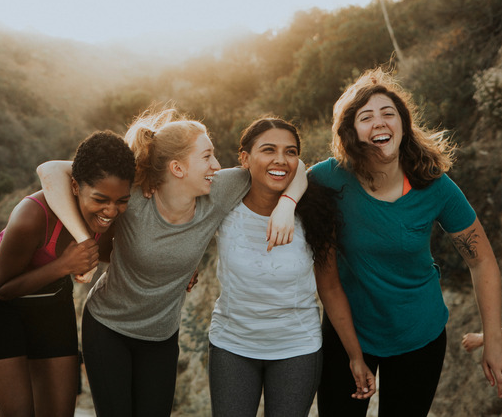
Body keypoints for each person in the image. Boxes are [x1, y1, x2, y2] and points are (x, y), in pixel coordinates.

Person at [36, 108, 307, 416]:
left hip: (161, 337)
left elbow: (291, 167)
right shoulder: (134, 194)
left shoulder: (219, 190)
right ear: (177, 168)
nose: (217, 166)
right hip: (108, 327)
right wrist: (84, 240)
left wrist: (287, 204)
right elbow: (50, 171)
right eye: (207, 157)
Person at [312, 68, 502, 416]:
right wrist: (284, 205)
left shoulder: (434, 185)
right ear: (351, 131)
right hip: (348, 333)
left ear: (403, 124)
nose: (380, 122)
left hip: (419, 334)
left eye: (389, 113)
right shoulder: (329, 178)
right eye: (366, 117)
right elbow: (287, 176)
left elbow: (482, 261)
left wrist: (493, 340)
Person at [207, 118, 375, 417]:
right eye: (268, 150)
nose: (280, 160)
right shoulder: (223, 201)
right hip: (231, 345)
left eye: (291, 151)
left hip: (297, 349)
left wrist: (355, 356)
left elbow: (331, 287)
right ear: (244, 158)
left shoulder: (315, 214)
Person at [0, 131, 136, 417]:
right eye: (101, 199)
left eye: (121, 201)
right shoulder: (31, 216)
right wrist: (64, 266)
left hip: (50, 299)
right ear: (75, 186)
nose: (111, 210)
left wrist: (181, 268)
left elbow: (121, 253)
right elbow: (3, 288)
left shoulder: (109, 218)